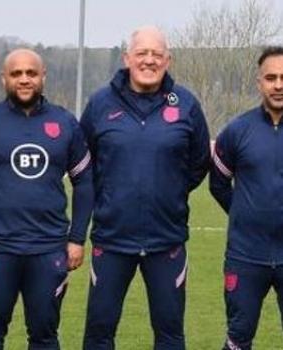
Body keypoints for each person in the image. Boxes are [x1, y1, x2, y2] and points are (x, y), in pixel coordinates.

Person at [79, 26, 210, 350]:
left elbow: (198, 163)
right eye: (141, 53)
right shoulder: (100, 103)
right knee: (98, 333)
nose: (149, 60)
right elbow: (83, 165)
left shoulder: (187, 105)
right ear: (127, 58)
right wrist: (112, 194)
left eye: (156, 54)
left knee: (169, 334)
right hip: (111, 240)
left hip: (167, 241)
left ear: (168, 59)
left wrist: (170, 190)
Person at [0, 48, 93, 350]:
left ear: (43, 76)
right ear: (4, 78)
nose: (24, 79)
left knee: (44, 335)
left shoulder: (65, 123)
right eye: (16, 73)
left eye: (31, 73)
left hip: (48, 248)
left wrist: (77, 239)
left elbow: (84, 182)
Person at [210, 46, 283, 350]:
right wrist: (244, 212)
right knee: (239, 338)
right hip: (245, 256)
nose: (278, 84)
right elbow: (218, 184)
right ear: (259, 82)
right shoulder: (238, 130)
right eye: (271, 77)